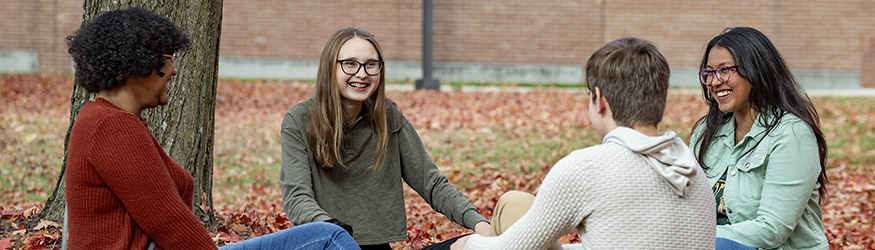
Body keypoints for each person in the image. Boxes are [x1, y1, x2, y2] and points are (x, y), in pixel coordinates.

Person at [64, 7, 359, 250]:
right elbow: (170, 223)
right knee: (328, 238)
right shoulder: (112, 128)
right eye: (168, 59)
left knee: (323, 235)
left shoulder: (104, 120)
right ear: (137, 64)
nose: (174, 70)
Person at [450, 37, 716, 250]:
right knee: (515, 202)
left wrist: (461, 245)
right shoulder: (693, 171)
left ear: (599, 100)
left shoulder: (586, 169)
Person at [280, 27, 490, 249]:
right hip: (328, 243)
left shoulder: (388, 116)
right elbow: (297, 197)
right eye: (350, 64)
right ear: (329, 68)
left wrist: (479, 223)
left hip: (376, 246)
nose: (362, 73)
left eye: (371, 65)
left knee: (470, 245)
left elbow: (431, 183)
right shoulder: (299, 120)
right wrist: (334, 234)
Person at [690, 27, 829, 250]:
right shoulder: (708, 131)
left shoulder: (791, 134)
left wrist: (693, 236)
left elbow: (771, 230)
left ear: (755, 70)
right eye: (708, 72)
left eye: (725, 70)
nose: (714, 82)